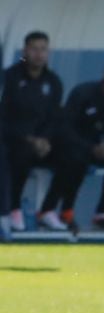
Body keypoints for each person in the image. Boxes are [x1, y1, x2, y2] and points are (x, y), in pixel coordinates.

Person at [44, 54, 104, 231]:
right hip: (68, 143)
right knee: (77, 158)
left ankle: (103, 213)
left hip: (95, 146)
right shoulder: (84, 92)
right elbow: (64, 127)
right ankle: (66, 211)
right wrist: (89, 147)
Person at [3, 31, 64, 233]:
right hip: (14, 141)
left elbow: (55, 117)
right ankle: (13, 207)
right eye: (34, 49)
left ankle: (48, 210)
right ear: (25, 51)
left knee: (73, 155)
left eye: (43, 49)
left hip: (43, 144)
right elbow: (5, 117)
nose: (39, 54)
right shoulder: (10, 78)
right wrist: (29, 139)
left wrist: (45, 139)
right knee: (20, 154)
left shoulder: (54, 82)